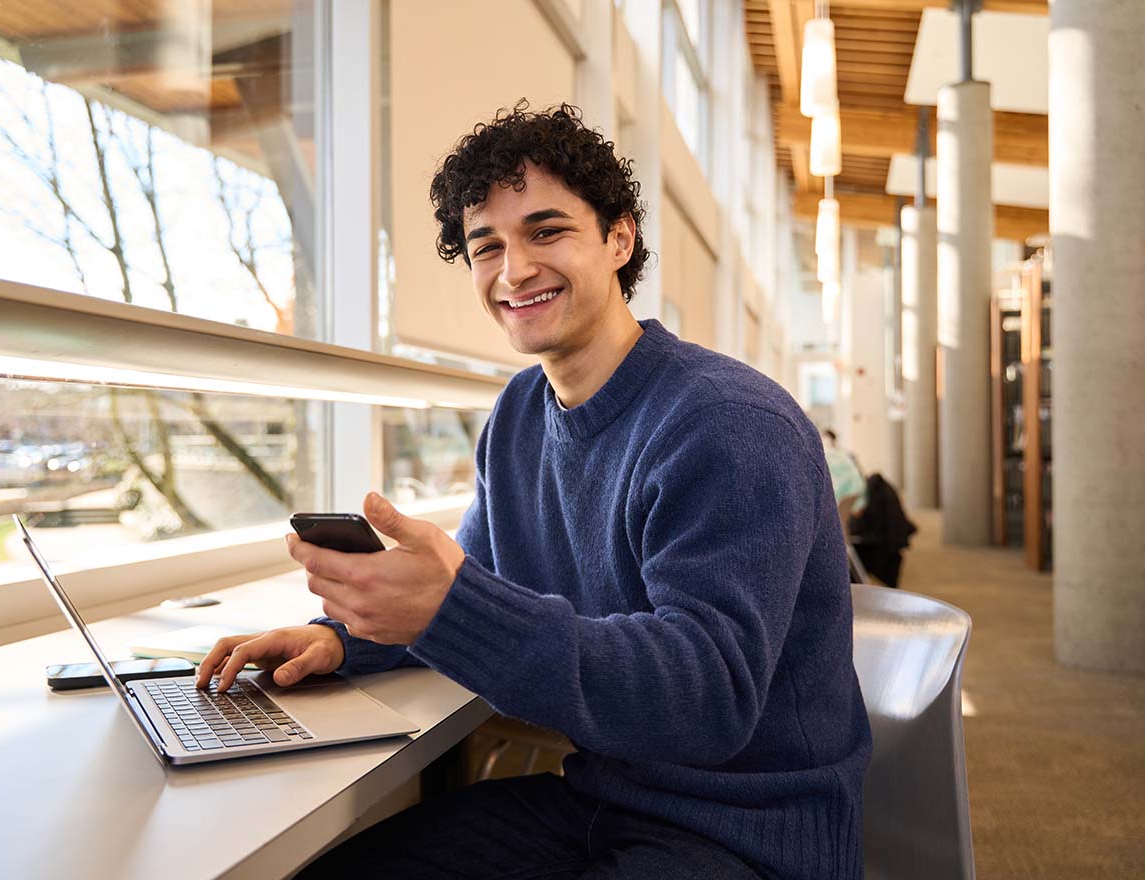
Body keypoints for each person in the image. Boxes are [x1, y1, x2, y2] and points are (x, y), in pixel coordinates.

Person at [197, 103, 871, 880]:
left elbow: (709, 696)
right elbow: (482, 582)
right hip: (604, 800)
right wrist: (342, 637)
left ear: (619, 238)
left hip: (749, 835)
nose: (514, 270)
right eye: (488, 246)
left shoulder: (727, 424)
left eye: (546, 232)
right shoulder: (521, 413)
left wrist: (451, 607)